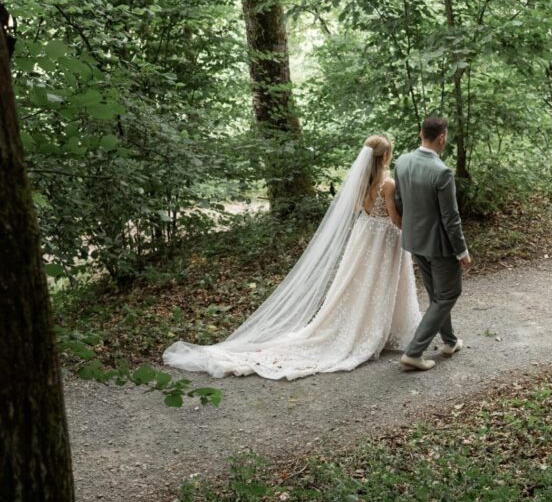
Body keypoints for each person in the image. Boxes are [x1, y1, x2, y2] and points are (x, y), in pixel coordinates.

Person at [163, 135, 421, 379]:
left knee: (358, 285)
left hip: (363, 237)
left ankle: (364, 326)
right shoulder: (387, 184)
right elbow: (395, 219)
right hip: (382, 241)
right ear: (385, 156)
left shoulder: (360, 183)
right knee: (378, 285)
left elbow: (358, 211)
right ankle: (374, 331)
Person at [394, 114, 471, 372]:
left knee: (437, 296)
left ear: (420, 134)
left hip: (414, 241)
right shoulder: (442, 172)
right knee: (448, 294)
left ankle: (449, 342)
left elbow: (400, 202)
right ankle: (414, 352)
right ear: (442, 138)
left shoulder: (402, 162)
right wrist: (461, 250)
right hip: (439, 246)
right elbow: (451, 218)